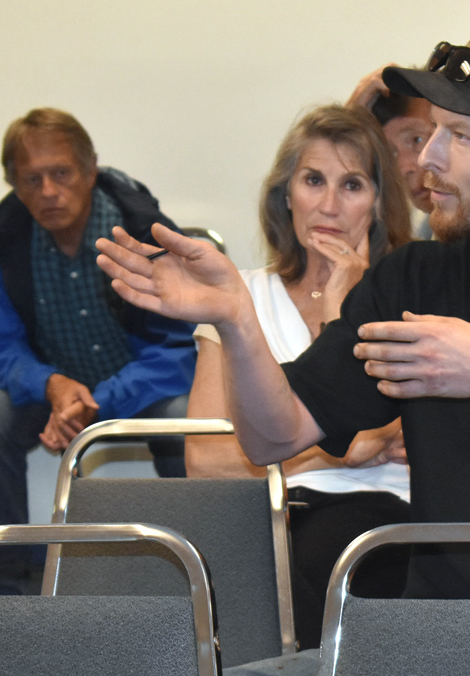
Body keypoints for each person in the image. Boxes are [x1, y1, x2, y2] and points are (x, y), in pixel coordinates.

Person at [97, 24, 470, 676]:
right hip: (433, 639)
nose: (427, 160)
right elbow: (273, 437)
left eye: (463, 137)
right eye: (433, 131)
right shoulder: (414, 281)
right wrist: (236, 319)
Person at [185, 103, 412, 648]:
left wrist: (345, 309)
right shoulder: (238, 296)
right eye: (314, 180)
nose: (329, 205)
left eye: (352, 185)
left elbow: (429, 441)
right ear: (287, 194)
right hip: (276, 516)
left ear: (379, 205)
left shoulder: (411, 297)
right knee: (275, 563)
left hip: (391, 514)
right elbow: (206, 462)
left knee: (330, 561)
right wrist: (332, 452)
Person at [0, 107, 197, 594]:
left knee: (185, 417)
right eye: (31, 179)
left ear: (91, 170)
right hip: (48, 390)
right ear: (14, 185)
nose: (48, 191)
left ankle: (197, 569)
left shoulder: (144, 233)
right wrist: (52, 385)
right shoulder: (3, 239)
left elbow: (179, 351)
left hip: (138, 386)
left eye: (62, 173)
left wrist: (98, 402)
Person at [348, 67, 434, 239]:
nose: (404, 168)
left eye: (417, 140)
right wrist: (349, 127)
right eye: (391, 153)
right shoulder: (422, 234)